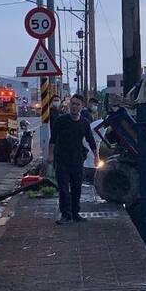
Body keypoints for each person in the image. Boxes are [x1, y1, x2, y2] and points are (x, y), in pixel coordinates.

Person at [48, 94, 99, 224]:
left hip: (77, 160)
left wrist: (96, 157)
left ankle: (75, 213)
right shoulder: (61, 120)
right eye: (73, 104)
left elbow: (91, 141)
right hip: (62, 159)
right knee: (64, 188)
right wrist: (51, 155)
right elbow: (53, 139)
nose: (74, 107)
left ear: (82, 107)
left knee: (77, 188)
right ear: (69, 105)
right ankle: (66, 214)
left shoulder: (84, 123)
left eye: (77, 104)